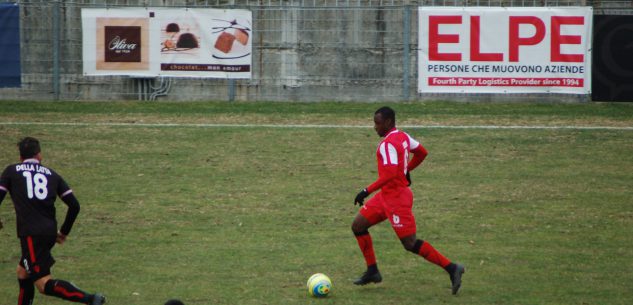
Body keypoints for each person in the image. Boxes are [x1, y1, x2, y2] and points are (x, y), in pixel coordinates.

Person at [351, 107, 465, 295]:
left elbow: (388, 174)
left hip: (397, 199)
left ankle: (453, 268)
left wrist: (365, 191)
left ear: (388, 122)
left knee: (410, 243)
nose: (375, 127)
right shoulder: (403, 136)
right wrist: (406, 171)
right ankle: (372, 271)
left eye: (377, 123)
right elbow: (422, 152)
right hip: (386, 196)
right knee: (358, 226)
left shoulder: (387, 144)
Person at [0, 137, 106, 305]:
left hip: (31, 235)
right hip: (49, 233)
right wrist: (63, 232)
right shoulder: (52, 175)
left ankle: (91, 299)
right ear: (39, 155)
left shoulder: (11, 171)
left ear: (20, 157)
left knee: (43, 284)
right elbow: (74, 206)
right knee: (22, 272)